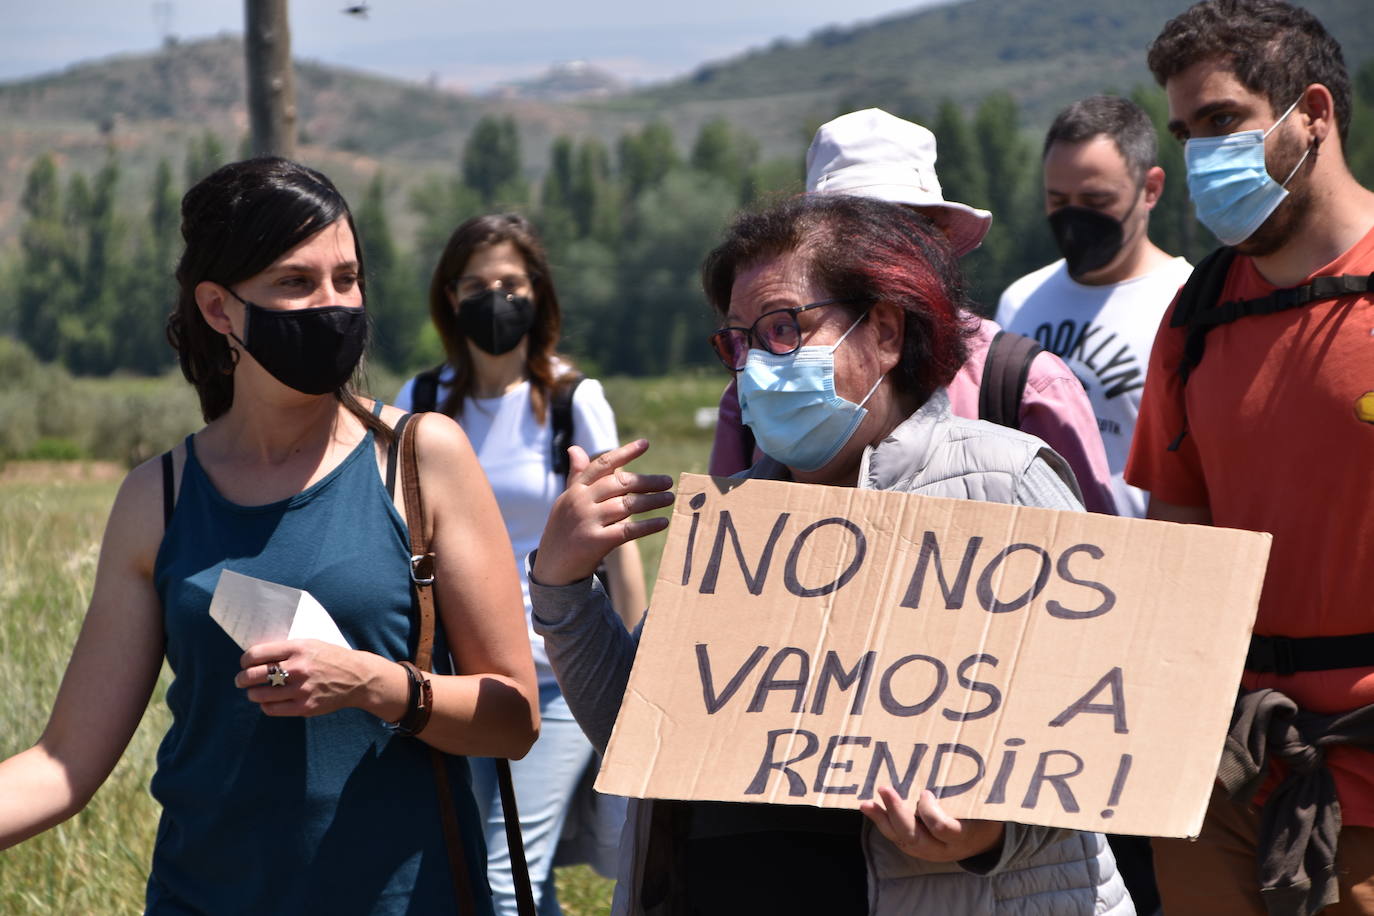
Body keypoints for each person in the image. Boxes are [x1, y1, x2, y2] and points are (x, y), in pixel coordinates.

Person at [530, 194, 1134, 915]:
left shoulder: (1004, 482)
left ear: (883, 330)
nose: (756, 365)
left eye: (785, 328)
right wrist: (562, 581)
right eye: (739, 342)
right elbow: (645, 732)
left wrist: (989, 836)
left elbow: (1091, 737)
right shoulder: (736, 522)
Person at [0, 158, 539, 914]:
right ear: (219, 309)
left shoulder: (422, 460)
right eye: (296, 282)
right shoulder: (156, 498)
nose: (333, 305)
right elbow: (61, 764)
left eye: (346, 279)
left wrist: (371, 683)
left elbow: (513, 718)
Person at [1126, 1, 1374, 913]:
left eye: (1223, 120)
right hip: (1217, 784)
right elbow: (1174, 560)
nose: (1199, 155)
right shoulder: (1189, 324)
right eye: (1185, 132)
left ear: (1313, 112)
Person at [395, 213, 648, 916]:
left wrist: (631, 674)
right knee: (474, 872)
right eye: (477, 283)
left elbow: (617, 547)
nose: (496, 298)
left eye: (510, 282)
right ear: (450, 296)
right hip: (457, 678)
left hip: (555, 676)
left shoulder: (571, 400)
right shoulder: (418, 404)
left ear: (538, 293)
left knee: (508, 882)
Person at [709, 108, 1116, 516]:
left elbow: (1099, 552)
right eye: (854, 235)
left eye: (897, 230)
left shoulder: (1019, 399)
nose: (883, 253)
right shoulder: (759, 388)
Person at [996, 95, 1193, 520]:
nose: (1075, 219)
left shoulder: (1190, 302)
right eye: (1059, 201)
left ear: (1151, 189)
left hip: (1138, 564)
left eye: (1097, 201)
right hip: (1031, 561)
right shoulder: (1019, 301)